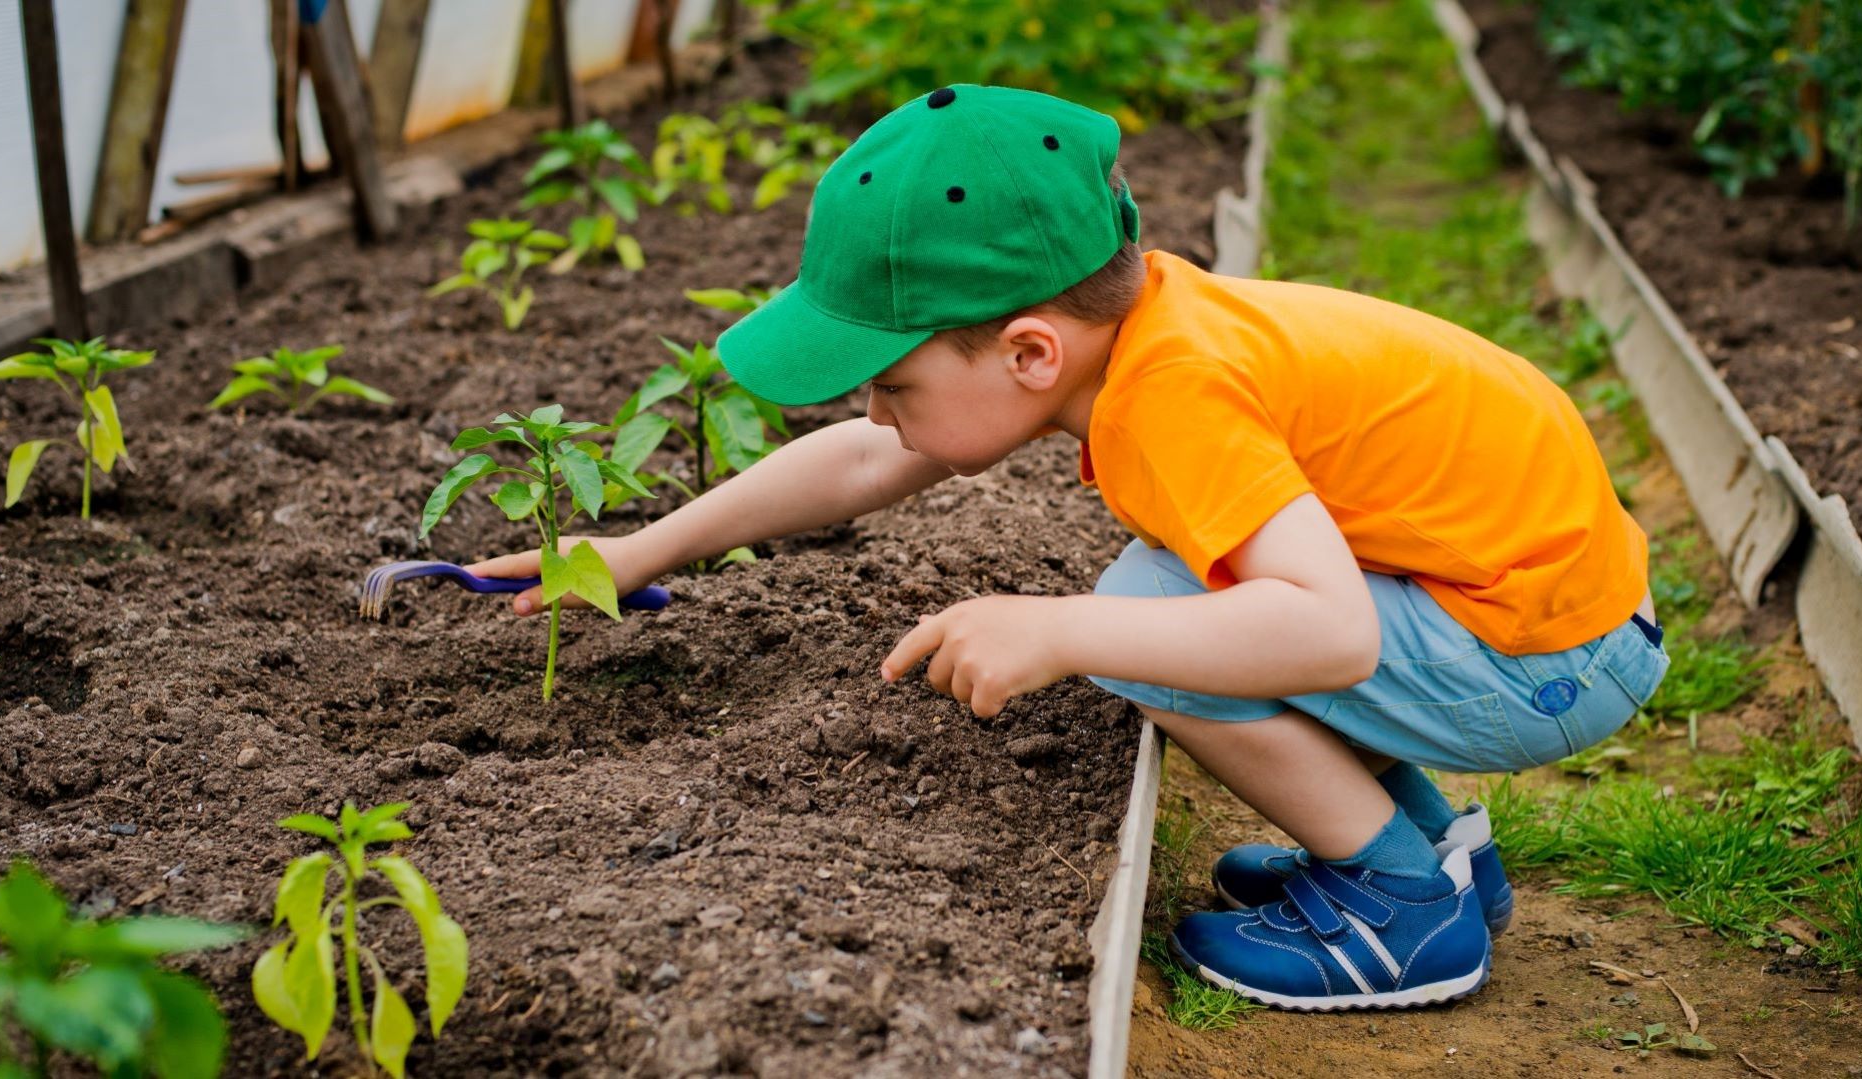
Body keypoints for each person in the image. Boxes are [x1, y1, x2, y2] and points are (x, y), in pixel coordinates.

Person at [467, 84, 1670, 1011]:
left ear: (1032, 354)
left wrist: (1058, 628)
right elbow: (862, 462)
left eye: (891, 382)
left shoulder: (1173, 397)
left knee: (1145, 612)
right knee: (1178, 593)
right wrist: (638, 550)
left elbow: (1332, 627)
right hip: (1529, 607)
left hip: (1545, 654)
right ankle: (1433, 850)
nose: (877, 414)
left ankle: (1403, 905)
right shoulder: (1130, 341)